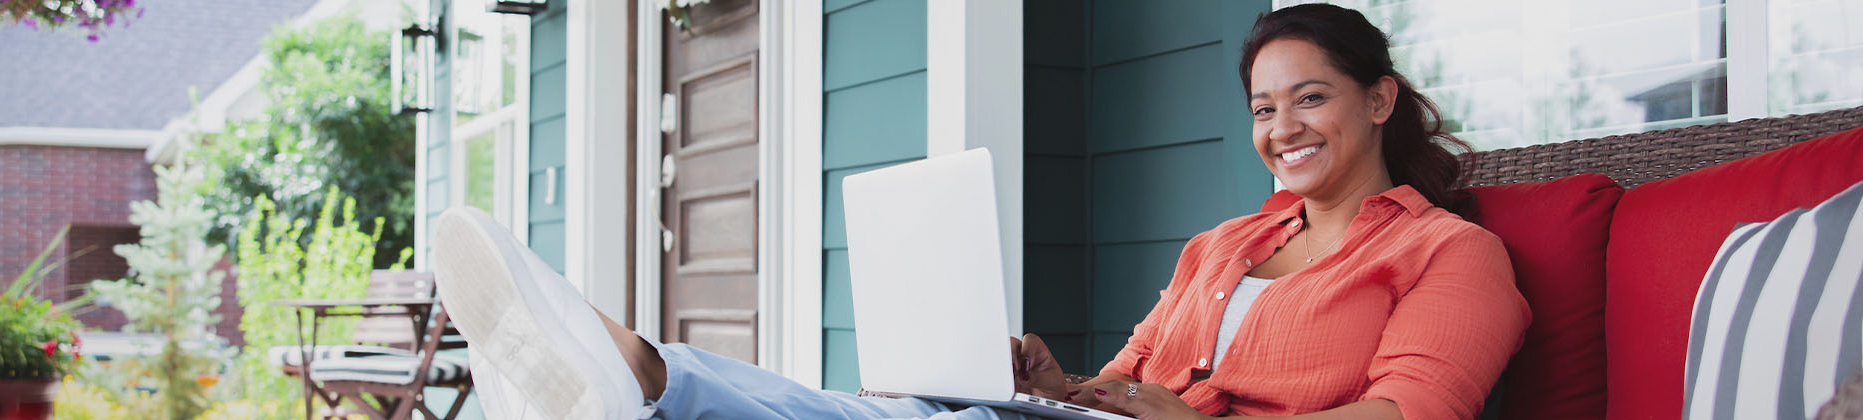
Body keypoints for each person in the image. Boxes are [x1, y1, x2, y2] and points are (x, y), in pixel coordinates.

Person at [432, 3, 1529, 420]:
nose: (1283, 127)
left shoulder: (1453, 255)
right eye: (1262, 108)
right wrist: (1058, 385)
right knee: (916, 415)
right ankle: (640, 371)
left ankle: (640, 375)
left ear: (1379, 99)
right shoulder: (1228, 243)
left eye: (1311, 100)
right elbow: (1128, 378)